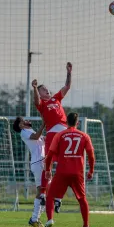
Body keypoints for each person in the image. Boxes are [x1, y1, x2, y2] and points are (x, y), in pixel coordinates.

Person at [42, 112, 94, 227]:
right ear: (78, 123)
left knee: (50, 195)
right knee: (82, 199)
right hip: (77, 172)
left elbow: (49, 156)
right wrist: (91, 170)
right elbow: (91, 156)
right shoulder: (84, 136)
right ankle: (86, 226)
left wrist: (47, 170)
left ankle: (50, 219)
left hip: (62, 171)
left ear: (66, 122)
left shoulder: (60, 135)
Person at [32, 62, 72, 214]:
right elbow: (36, 100)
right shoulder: (42, 104)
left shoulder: (56, 99)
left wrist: (69, 72)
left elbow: (67, 87)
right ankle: (43, 193)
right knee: (47, 164)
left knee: (66, 166)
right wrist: (35, 88)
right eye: (43, 89)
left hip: (65, 133)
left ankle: (58, 198)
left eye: (46, 89)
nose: (46, 90)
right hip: (52, 133)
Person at [13, 116, 46, 227]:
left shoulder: (30, 130)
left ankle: (35, 218)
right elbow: (37, 137)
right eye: (24, 120)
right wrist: (44, 124)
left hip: (42, 162)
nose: (27, 121)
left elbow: (43, 139)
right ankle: (34, 218)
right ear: (21, 125)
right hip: (38, 162)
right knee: (42, 190)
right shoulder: (24, 132)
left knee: (45, 191)